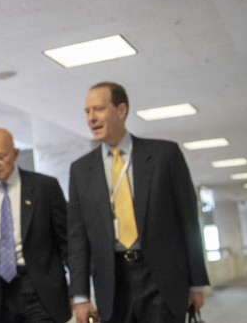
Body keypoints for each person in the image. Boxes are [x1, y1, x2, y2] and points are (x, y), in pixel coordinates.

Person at [67, 82, 209, 323]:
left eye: (98, 109)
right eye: (87, 111)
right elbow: (78, 237)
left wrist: (197, 281)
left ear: (121, 110)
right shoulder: (81, 170)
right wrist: (80, 295)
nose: (91, 118)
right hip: (112, 283)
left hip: (161, 279)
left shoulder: (165, 155)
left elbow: (188, 221)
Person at [0, 128, 70, 323]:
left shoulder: (44, 188)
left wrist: (79, 292)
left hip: (39, 289)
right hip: (1, 294)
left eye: (0, 157)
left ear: (14, 154)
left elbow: (67, 242)